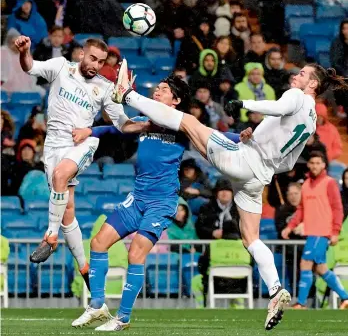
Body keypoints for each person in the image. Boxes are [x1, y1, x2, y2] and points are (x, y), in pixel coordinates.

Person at [113, 59, 348, 330]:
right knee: (252, 239)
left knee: (189, 121)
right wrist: (255, 141)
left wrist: (244, 104)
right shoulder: (312, 122)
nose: (297, 76)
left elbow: (279, 106)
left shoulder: (297, 96)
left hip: (244, 161)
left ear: (313, 84)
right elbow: (288, 164)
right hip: (258, 177)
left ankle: (128, 95)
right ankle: (275, 290)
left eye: (303, 74)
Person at [71, 75, 248, 331]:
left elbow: (215, 135)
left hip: (162, 202)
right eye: (157, 88)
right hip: (137, 198)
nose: (156, 92)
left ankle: (122, 318)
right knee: (98, 242)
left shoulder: (181, 126)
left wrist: (240, 137)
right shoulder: (145, 121)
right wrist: (90, 130)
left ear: (175, 100)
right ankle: (97, 304)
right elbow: (116, 128)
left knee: (135, 253)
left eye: (163, 90)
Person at [14, 35, 149, 290]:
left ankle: (50, 237)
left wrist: (146, 123)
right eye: (92, 58)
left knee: (60, 176)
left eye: (100, 61)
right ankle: (85, 268)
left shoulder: (106, 87)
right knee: (68, 212)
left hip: (81, 143)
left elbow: (122, 124)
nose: (96, 65)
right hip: (52, 145)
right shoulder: (60, 67)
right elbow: (29, 66)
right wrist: (25, 51)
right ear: (81, 55)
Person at [282, 151, 348, 309]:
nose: (315, 166)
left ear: (324, 165)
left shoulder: (329, 183)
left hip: (322, 232)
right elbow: (301, 210)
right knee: (321, 268)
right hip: (312, 232)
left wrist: (335, 232)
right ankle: (346, 298)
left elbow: (337, 209)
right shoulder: (305, 185)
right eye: (312, 163)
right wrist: (290, 227)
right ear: (308, 165)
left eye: (318, 163)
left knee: (305, 263)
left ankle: (302, 303)